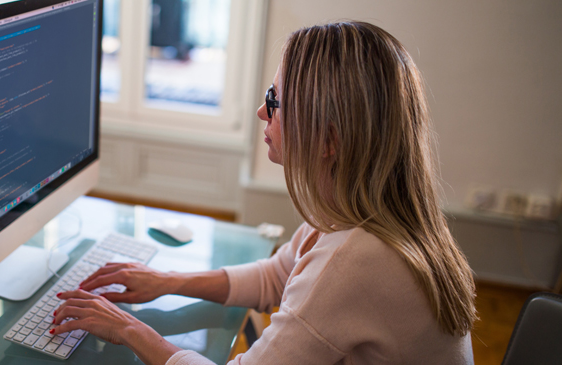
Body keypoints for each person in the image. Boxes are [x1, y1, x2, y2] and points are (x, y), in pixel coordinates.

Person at [50, 21, 477, 364]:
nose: (261, 112)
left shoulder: (358, 258)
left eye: (275, 100)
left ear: (328, 140)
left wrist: (129, 329)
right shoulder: (373, 212)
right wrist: (169, 281)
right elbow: (276, 276)